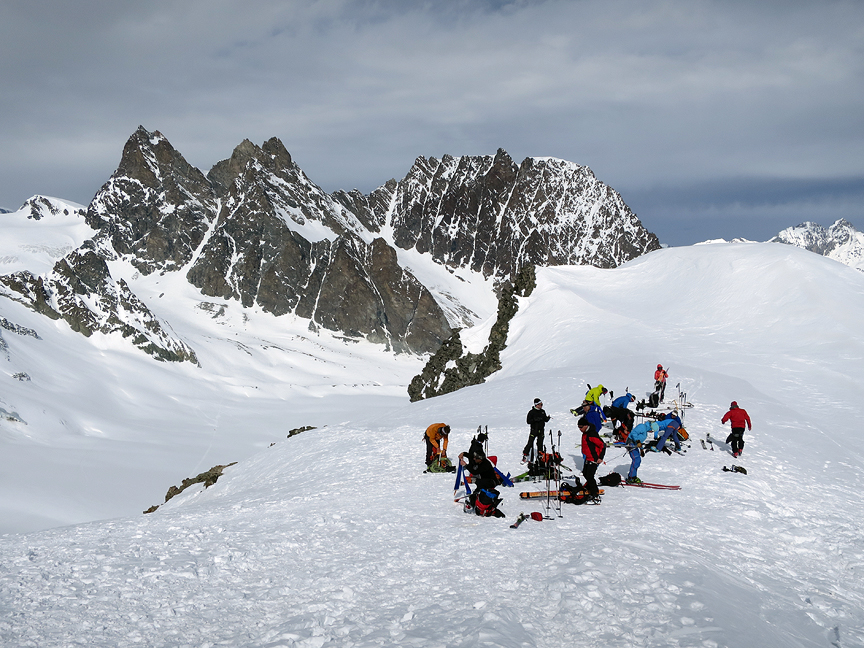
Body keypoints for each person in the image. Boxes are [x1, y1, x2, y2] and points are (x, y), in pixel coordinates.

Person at [577, 416, 606, 499]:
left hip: (594, 459)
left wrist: (600, 457)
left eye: (581, 427)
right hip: (588, 457)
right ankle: (590, 487)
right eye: (578, 427)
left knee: (590, 476)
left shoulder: (591, 434)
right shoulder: (585, 433)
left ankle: (595, 494)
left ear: (586, 426)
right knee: (585, 473)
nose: (580, 429)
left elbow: (602, 445)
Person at [523, 398, 550, 463]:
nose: (541, 406)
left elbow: (545, 419)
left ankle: (540, 456)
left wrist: (547, 418)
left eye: (542, 404)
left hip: (541, 430)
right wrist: (535, 419)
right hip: (534, 430)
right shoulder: (531, 412)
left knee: (540, 443)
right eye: (540, 404)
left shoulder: (542, 411)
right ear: (536, 405)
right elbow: (528, 421)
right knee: (530, 443)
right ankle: (525, 455)